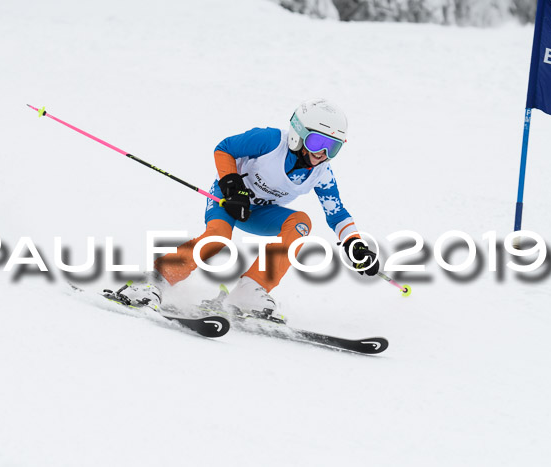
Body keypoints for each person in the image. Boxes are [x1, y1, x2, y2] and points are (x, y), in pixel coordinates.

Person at [125, 98, 380, 320]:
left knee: (301, 222)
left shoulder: (322, 173)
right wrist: (232, 185)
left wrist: (354, 243)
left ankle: (250, 290)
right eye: (316, 142)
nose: (322, 153)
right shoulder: (270, 141)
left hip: (260, 213)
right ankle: (153, 281)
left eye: (332, 147)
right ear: (298, 133)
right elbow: (225, 148)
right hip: (229, 200)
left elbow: (336, 212)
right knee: (217, 239)